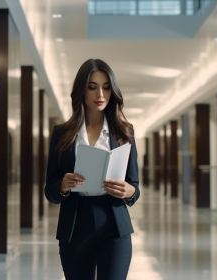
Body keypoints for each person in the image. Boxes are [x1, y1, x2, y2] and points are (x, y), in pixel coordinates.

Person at [44, 58, 140, 280]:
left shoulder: (125, 132)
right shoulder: (62, 133)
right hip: (75, 225)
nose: (100, 95)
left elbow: (134, 185)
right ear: (81, 90)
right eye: (92, 87)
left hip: (114, 224)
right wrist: (63, 186)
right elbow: (50, 190)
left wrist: (130, 191)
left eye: (106, 88)